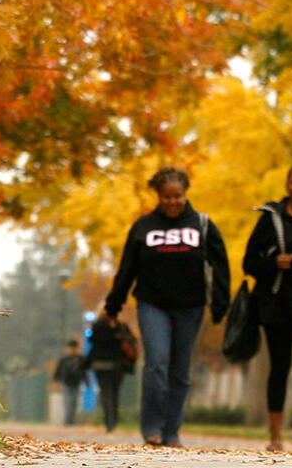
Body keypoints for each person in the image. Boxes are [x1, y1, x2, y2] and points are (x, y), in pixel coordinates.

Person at [104, 166, 229, 447]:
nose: (173, 202)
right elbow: (127, 270)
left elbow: (220, 267)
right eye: (166, 197)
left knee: (180, 370)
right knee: (157, 363)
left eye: (178, 197)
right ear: (158, 197)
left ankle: (172, 431)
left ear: (185, 195)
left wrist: (221, 303)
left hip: (191, 306)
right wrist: (114, 305)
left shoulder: (202, 225)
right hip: (153, 305)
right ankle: (152, 427)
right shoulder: (144, 227)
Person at [242, 165, 292, 451]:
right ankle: (276, 436)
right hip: (278, 305)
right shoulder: (270, 219)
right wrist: (274, 263)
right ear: (287, 185)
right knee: (279, 368)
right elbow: (248, 262)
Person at [87, 314, 133, 432]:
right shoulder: (121, 326)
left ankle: (108, 420)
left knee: (105, 391)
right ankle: (113, 421)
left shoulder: (97, 326)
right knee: (114, 392)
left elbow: (91, 340)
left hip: (100, 364)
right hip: (117, 364)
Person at [53, 339, 86, 425]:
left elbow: (84, 371)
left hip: (76, 382)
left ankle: (71, 420)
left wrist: (86, 380)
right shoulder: (64, 360)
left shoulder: (80, 359)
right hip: (66, 382)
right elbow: (58, 371)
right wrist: (56, 380)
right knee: (68, 401)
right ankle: (67, 421)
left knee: (74, 401)